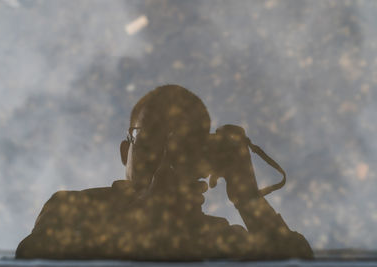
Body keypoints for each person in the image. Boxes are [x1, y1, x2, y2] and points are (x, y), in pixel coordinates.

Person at [16, 85, 313, 260]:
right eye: (150, 141)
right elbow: (32, 256)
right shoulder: (74, 209)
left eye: (183, 146)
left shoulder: (217, 235)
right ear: (125, 152)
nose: (164, 157)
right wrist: (144, 214)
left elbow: (296, 260)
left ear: (205, 160)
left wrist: (247, 196)